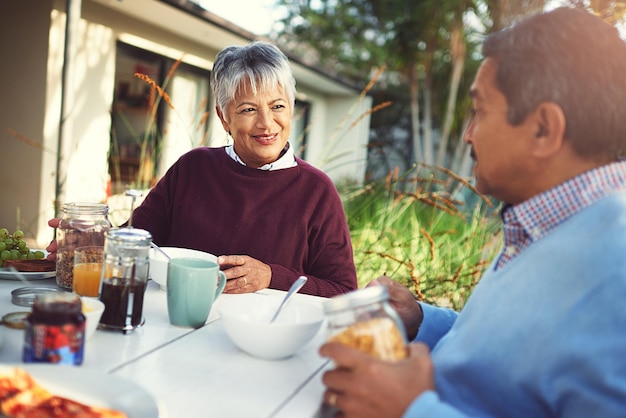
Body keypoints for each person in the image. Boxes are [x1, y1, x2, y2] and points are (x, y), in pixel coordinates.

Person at [319, 7, 626, 418]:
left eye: (480, 110)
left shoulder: (614, 272)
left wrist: (410, 409)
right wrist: (422, 320)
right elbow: (514, 357)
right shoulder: (544, 223)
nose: (468, 135)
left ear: (543, 129)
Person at [47, 41, 357, 298]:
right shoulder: (192, 168)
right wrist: (88, 241)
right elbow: (136, 242)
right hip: (172, 329)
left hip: (259, 346)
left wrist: (271, 276)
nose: (266, 123)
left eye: (277, 106)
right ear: (224, 118)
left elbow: (342, 290)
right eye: (248, 109)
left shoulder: (317, 190)